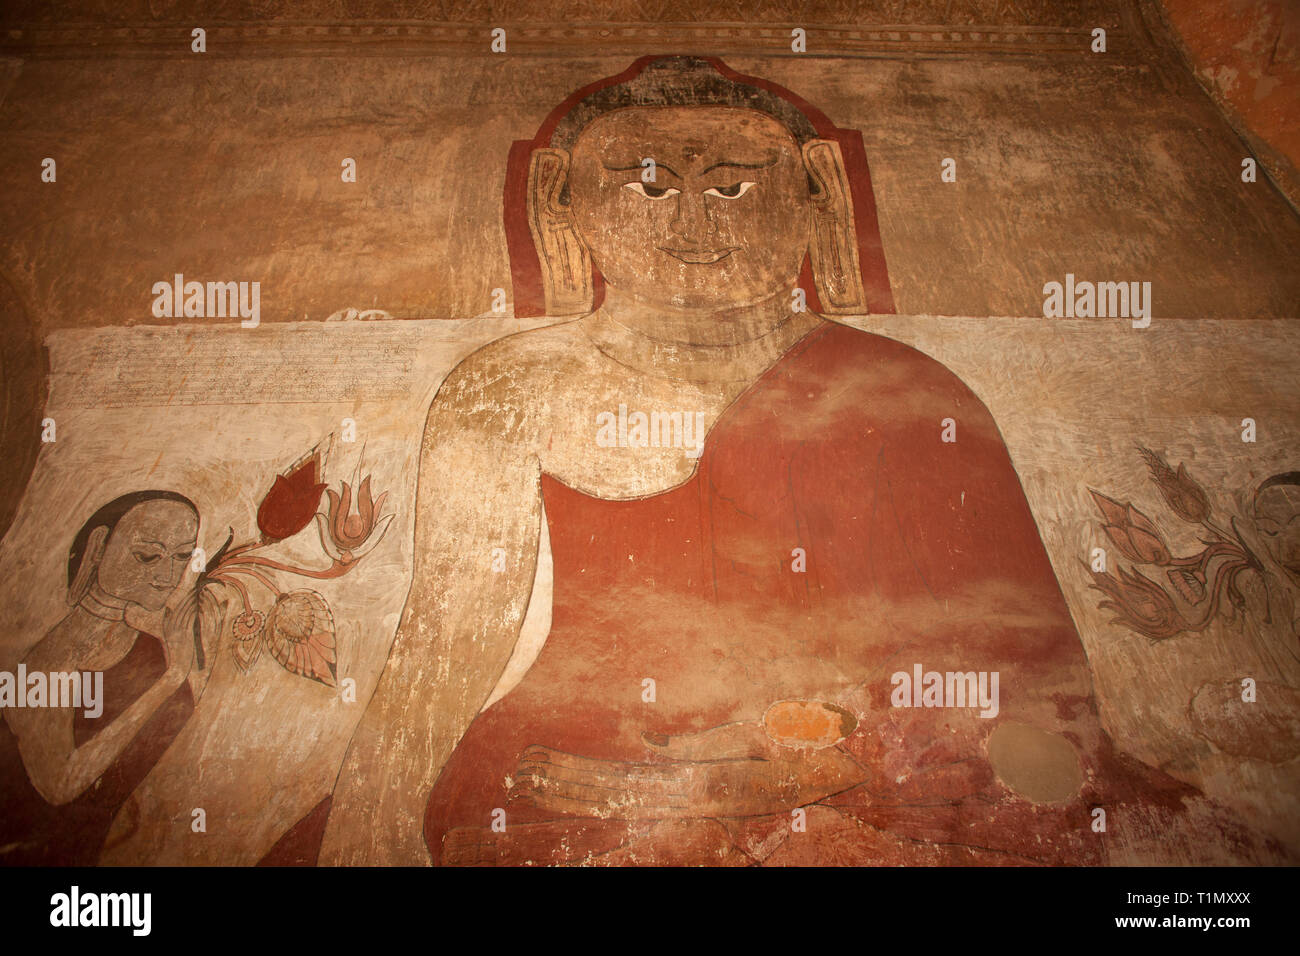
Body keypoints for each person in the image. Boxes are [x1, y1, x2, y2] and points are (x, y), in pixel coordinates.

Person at [318, 57, 1286, 866]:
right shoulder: (505, 384)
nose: (693, 220)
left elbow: (1015, 672)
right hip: (576, 751)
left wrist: (795, 761)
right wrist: (367, 827)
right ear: (560, 197)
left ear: (816, 188)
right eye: (646, 184)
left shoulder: (902, 390)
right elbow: (444, 643)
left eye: (735, 183)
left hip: (865, 759)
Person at [0, 490, 216, 865]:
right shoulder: (51, 660)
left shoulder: (152, 646)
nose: (168, 576)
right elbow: (59, 785)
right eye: (147, 555)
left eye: (182, 556)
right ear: (98, 547)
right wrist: (169, 680)